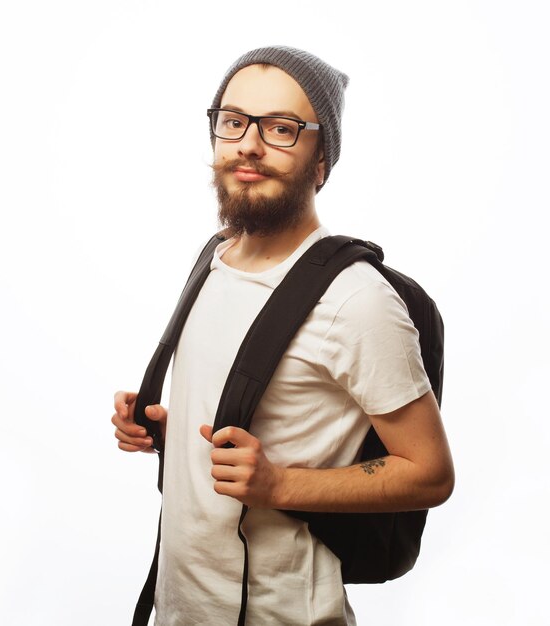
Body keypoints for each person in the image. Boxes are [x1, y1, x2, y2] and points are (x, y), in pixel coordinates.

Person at [111, 45, 454, 625]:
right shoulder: (216, 257)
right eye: (234, 121)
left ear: (322, 161)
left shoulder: (357, 300)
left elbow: (430, 473)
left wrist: (281, 484)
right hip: (180, 607)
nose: (249, 143)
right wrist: (170, 436)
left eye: (282, 128)